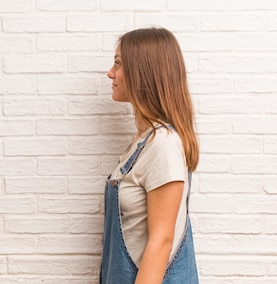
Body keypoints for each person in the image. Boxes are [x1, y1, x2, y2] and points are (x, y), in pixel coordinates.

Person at [100, 27, 199, 284]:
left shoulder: (163, 145)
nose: (111, 73)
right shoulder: (144, 142)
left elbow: (161, 241)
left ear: (142, 72)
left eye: (119, 64)